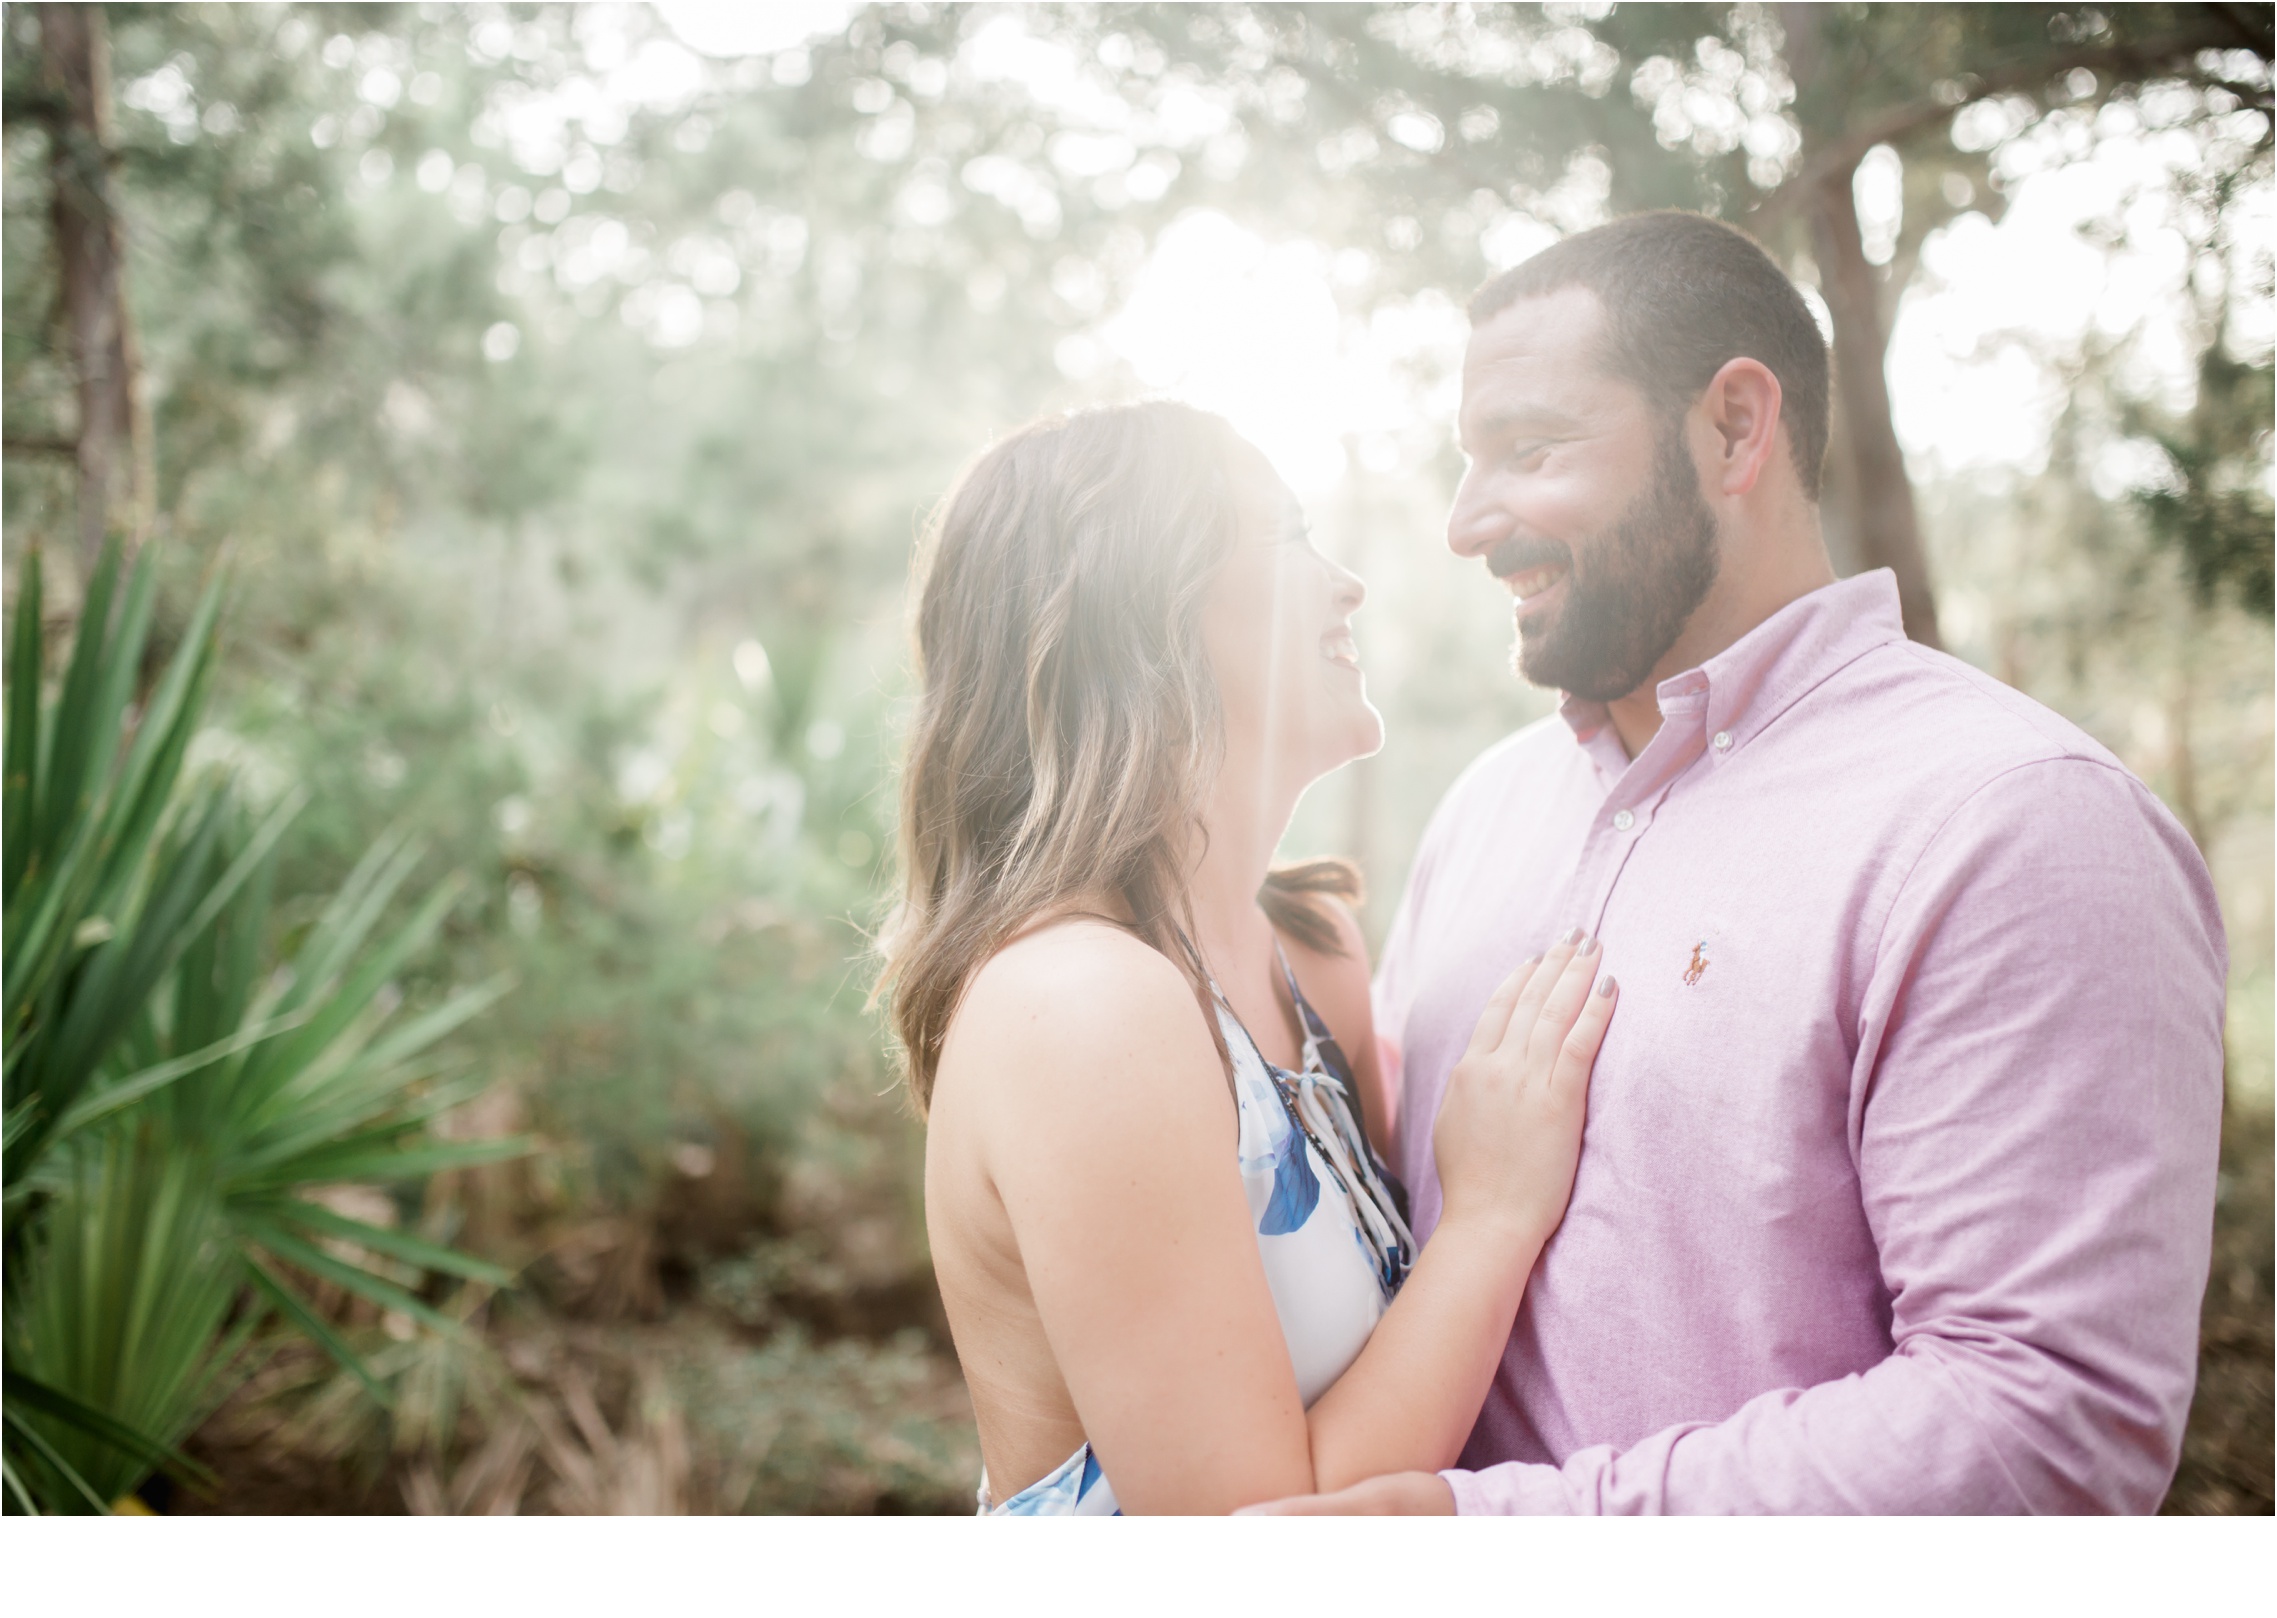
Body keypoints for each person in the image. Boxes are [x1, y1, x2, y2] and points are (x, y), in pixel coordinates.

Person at [1252, 210, 2228, 1515]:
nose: (1468, 521)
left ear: (1733, 427)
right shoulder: (1485, 810)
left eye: (1529, 449)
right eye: (1466, 463)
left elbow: (2047, 1430)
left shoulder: (2016, 820)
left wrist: (1470, 1537)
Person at [878, 401, 1622, 1514]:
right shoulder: (1081, 1006)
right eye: (1287, 538)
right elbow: (1254, 1537)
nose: (1346, 583)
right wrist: (1492, 1216)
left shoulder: (1310, 957)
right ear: (1144, 616)